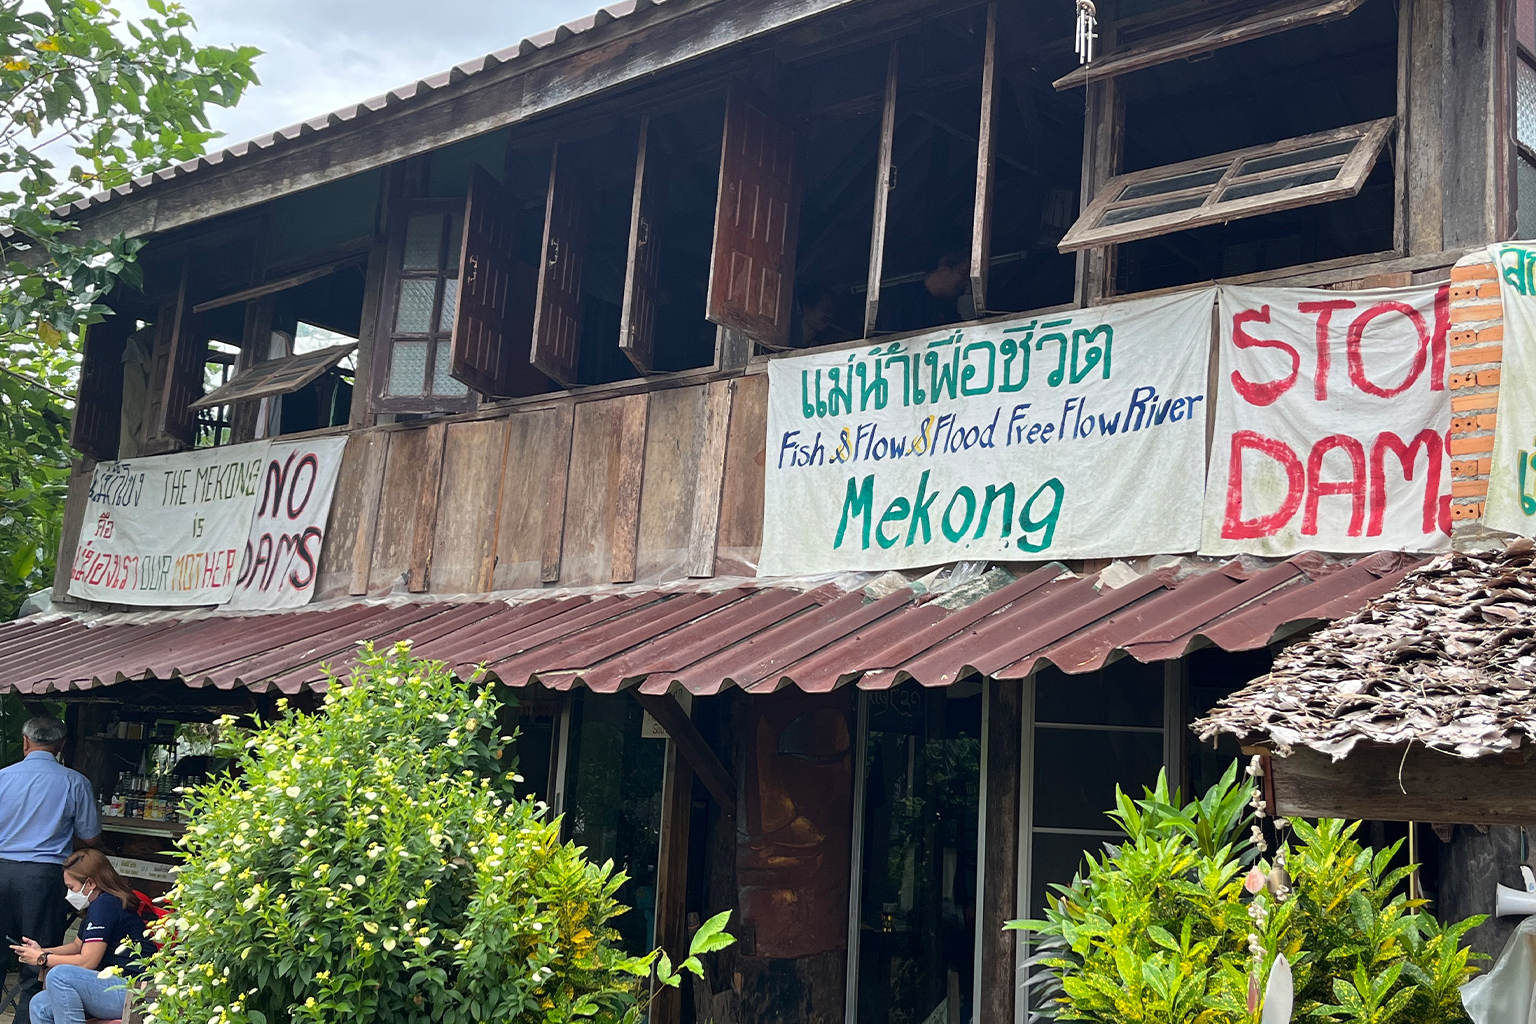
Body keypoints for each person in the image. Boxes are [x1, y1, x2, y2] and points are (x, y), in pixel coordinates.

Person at [0, 717, 104, 1024]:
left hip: (0, 869)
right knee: (37, 958)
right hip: (43, 878)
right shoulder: (75, 782)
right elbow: (90, 837)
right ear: (61, 746)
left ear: (25, 742)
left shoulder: (2, 777)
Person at [9, 850, 151, 1024]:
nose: (69, 894)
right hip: (119, 986)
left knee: (59, 976)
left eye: (71, 888)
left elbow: (87, 961)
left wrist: (43, 958)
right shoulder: (101, 903)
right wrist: (40, 950)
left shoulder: (105, 905)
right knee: (40, 1004)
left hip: (136, 990)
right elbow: (78, 946)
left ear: (90, 883)